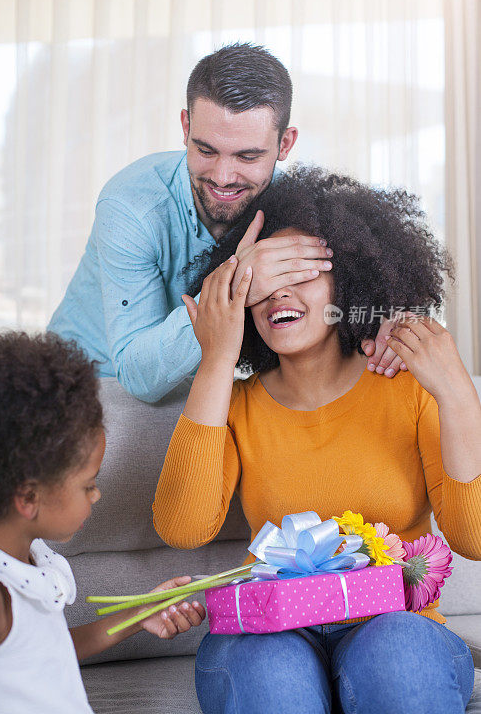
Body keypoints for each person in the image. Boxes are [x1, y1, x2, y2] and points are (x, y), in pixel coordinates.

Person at [152, 166, 481, 714]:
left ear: (348, 283)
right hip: (271, 631)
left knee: (398, 661)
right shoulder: (232, 406)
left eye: (301, 272)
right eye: (261, 278)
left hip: (395, 626)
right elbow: (183, 528)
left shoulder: (408, 389)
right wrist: (216, 358)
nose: (279, 290)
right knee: (269, 674)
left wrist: (460, 399)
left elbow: (474, 540)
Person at [48, 43, 403, 403]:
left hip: (199, 384)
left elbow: (363, 278)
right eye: (206, 150)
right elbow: (138, 377)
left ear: (285, 144)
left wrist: (391, 318)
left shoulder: (294, 206)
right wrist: (238, 283)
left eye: (247, 156)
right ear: (186, 127)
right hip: (90, 386)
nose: (222, 177)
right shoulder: (130, 207)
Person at [0, 332, 205, 714]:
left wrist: (140, 613)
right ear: (28, 498)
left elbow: (48, 652)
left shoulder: (29, 558)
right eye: (88, 485)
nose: (96, 495)